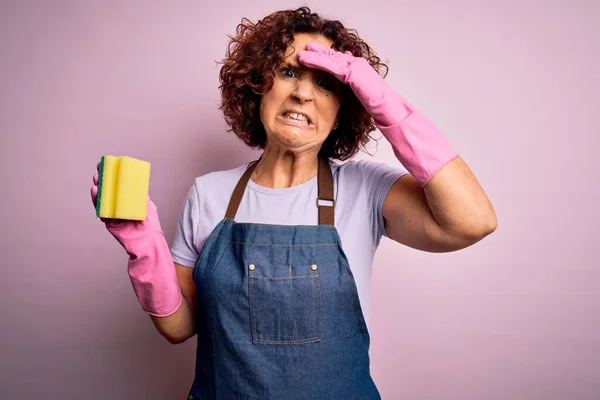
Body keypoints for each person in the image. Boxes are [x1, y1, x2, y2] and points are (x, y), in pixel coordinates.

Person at [90, 7, 496, 399]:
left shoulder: (364, 188)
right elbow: (179, 326)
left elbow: (472, 220)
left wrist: (385, 101)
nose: (303, 93)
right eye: (288, 72)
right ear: (258, 86)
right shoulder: (209, 194)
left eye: (326, 83)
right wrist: (143, 245)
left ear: (342, 111)